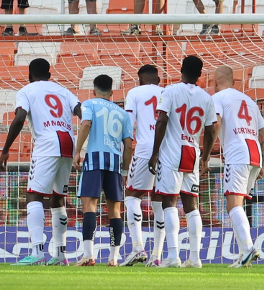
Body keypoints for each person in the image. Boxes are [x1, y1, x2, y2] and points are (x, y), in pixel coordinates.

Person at [0, 58, 82, 266]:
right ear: (49, 73)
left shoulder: (26, 90)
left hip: (47, 144)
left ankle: (36, 253)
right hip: (68, 142)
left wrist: (6, 150)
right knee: (57, 198)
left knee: (34, 196)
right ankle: (60, 256)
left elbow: (19, 118)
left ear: (29, 74)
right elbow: (81, 111)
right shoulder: (63, 90)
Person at [147, 55, 216, 268]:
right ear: (200, 75)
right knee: (191, 205)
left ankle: (173, 256)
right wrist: (205, 157)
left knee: (169, 202)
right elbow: (212, 130)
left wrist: (155, 152)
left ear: (181, 70)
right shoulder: (206, 98)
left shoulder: (170, 91)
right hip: (192, 152)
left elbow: (162, 121)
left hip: (171, 152)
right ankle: (195, 258)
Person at [211, 65, 264, 268]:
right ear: (233, 81)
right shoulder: (249, 101)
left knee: (233, 204)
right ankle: (244, 256)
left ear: (215, 82)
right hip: (254, 153)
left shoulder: (218, 98)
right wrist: (263, 161)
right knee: (238, 205)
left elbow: (216, 124)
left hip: (237, 154)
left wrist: (206, 152)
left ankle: (247, 249)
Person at [72, 74, 134, 266]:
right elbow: (129, 145)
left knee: (89, 205)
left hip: (95, 159)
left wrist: (77, 152)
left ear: (93, 90)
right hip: (114, 162)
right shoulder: (123, 113)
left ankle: (88, 255)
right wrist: (124, 171)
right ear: (112, 92)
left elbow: (86, 124)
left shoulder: (89, 104)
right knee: (115, 210)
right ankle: (113, 258)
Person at [122, 65, 162, 266]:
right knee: (162, 200)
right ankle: (157, 256)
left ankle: (138, 248)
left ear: (140, 79)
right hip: (168, 150)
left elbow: (127, 127)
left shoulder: (135, 93)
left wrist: (125, 162)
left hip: (146, 149)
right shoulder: (167, 92)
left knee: (132, 196)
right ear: (159, 79)